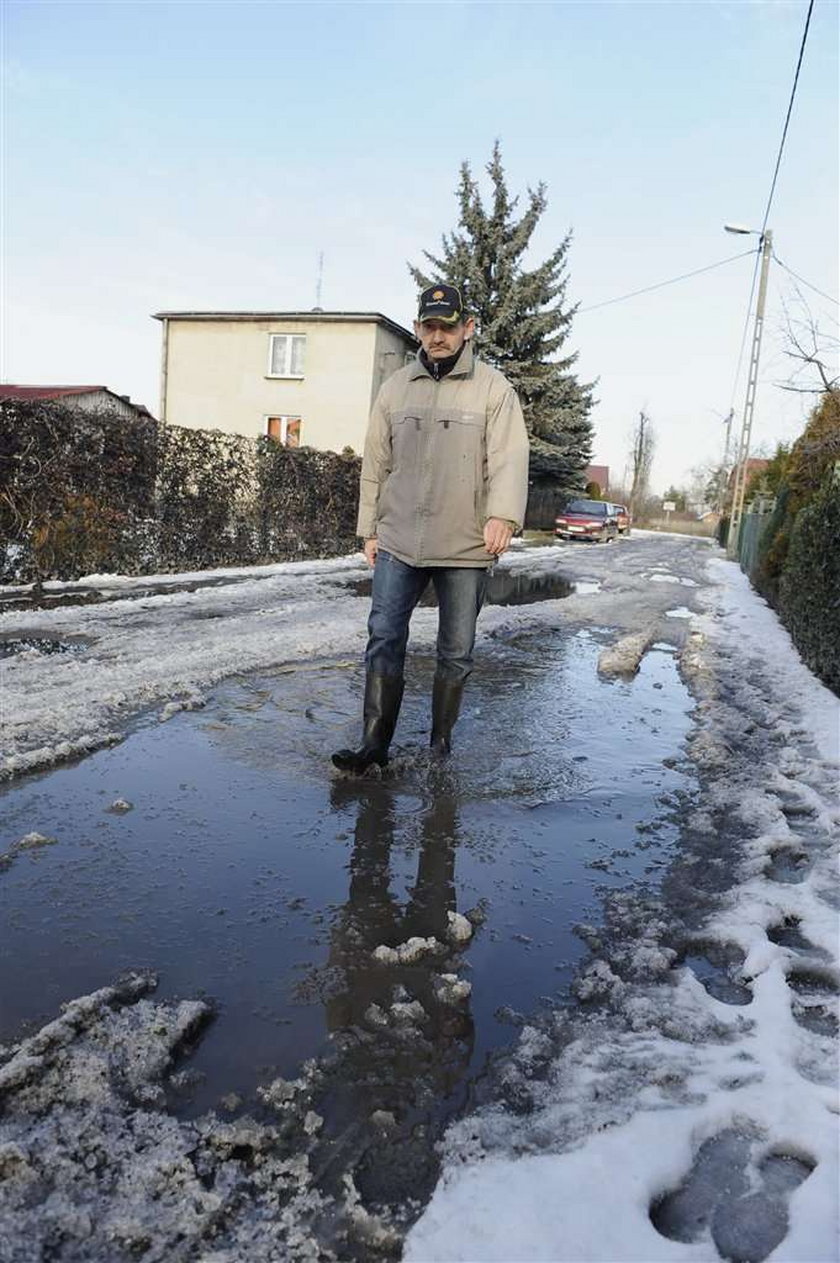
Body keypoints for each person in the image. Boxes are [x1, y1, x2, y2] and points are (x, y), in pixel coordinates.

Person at [332, 283, 529, 774]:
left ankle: (439, 746)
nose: (437, 336)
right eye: (429, 326)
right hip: (399, 536)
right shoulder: (395, 388)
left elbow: (508, 458)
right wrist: (369, 527)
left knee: (455, 650)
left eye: (447, 326)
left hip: (465, 542)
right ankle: (374, 747)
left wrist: (503, 515)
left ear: (467, 329)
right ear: (419, 328)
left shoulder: (493, 389)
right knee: (383, 635)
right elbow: (375, 462)